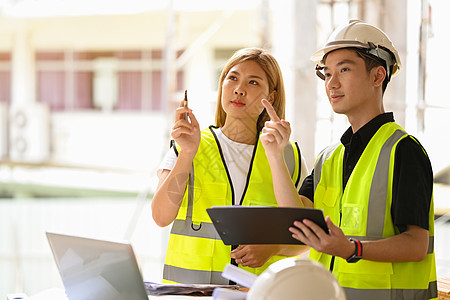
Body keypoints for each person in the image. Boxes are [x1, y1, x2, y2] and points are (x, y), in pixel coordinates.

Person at [261, 20, 437, 299]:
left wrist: (352, 249)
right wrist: (274, 154)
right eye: (327, 73)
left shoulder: (403, 150)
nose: (332, 83)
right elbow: (296, 221)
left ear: (378, 76)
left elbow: (416, 245)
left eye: (344, 69)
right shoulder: (329, 158)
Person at [152, 47, 309, 284]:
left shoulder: (289, 156)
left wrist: (273, 247)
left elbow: (304, 235)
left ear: (272, 97)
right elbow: (161, 216)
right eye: (232, 78)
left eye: (253, 82)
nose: (239, 89)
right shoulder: (188, 145)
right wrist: (187, 153)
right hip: (191, 295)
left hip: (259, 293)